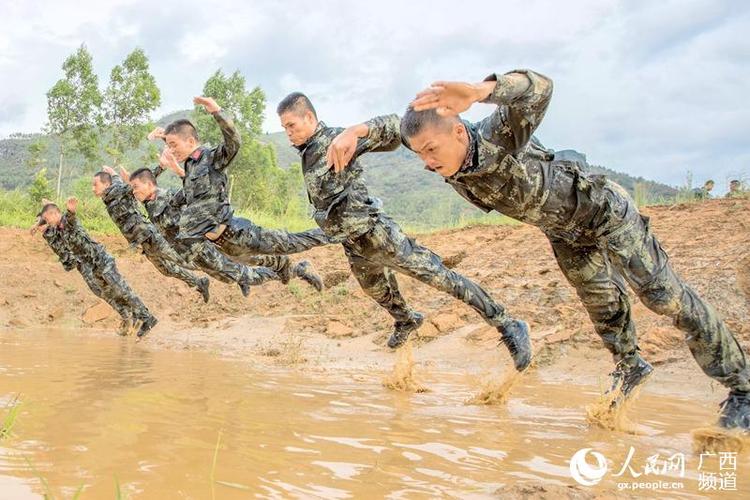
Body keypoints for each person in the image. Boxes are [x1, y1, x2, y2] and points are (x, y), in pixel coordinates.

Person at [329, 69, 750, 430]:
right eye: (421, 154)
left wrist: (481, 91)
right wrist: (356, 131)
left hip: (604, 212)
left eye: (431, 151)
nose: (426, 162)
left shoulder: (497, 137)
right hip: (565, 233)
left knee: (665, 298)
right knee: (604, 308)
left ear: (459, 131)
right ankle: (630, 367)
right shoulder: (441, 148)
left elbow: (539, 89)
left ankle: (742, 388)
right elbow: (399, 128)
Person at [276, 92, 531, 371]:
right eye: (284, 128)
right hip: (353, 244)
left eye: (291, 125)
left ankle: (507, 324)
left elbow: (397, 128)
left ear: (309, 118)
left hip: (380, 236)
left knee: (443, 279)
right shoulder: (308, 153)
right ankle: (407, 320)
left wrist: (354, 131)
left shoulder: (334, 139)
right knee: (376, 290)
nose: (288, 133)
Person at [156, 97, 331, 273]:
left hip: (238, 233)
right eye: (169, 146)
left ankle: (334, 233)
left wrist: (217, 112)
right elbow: (194, 193)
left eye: (173, 145)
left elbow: (233, 143)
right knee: (265, 263)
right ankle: (301, 271)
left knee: (289, 242)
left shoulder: (209, 158)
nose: (171, 150)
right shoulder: (190, 166)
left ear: (191, 142)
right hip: (224, 245)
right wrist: (169, 149)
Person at [125, 166, 320, 293]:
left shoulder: (167, 197)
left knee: (244, 272)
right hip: (196, 254)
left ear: (150, 184)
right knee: (243, 267)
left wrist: (179, 170)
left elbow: (192, 194)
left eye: (136, 187)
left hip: (208, 246)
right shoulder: (150, 204)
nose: (134, 192)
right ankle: (290, 268)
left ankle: (297, 269)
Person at [32, 198, 157, 338]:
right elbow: (55, 237)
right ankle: (129, 316)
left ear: (55, 214)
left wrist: (71, 210)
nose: (47, 223)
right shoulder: (57, 230)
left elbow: (70, 218)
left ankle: (147, 318)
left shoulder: (66, 222)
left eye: (47, 219)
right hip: (91, 265)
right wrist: (40, 221)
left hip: (101, 260)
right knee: (107, 294)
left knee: (121, 289)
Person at [93, 167, 210, 302]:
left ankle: (217, 265)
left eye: (95, 184)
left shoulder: (118, 191)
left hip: (149, 235)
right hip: (142, 241)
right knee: (167, 269)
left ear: (106, 185)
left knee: (181, 260)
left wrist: (160, 167)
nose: (92, 188)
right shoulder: (109, 197)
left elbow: (142, 182)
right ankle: (199, 282)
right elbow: (118, 180)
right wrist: (113, 173)